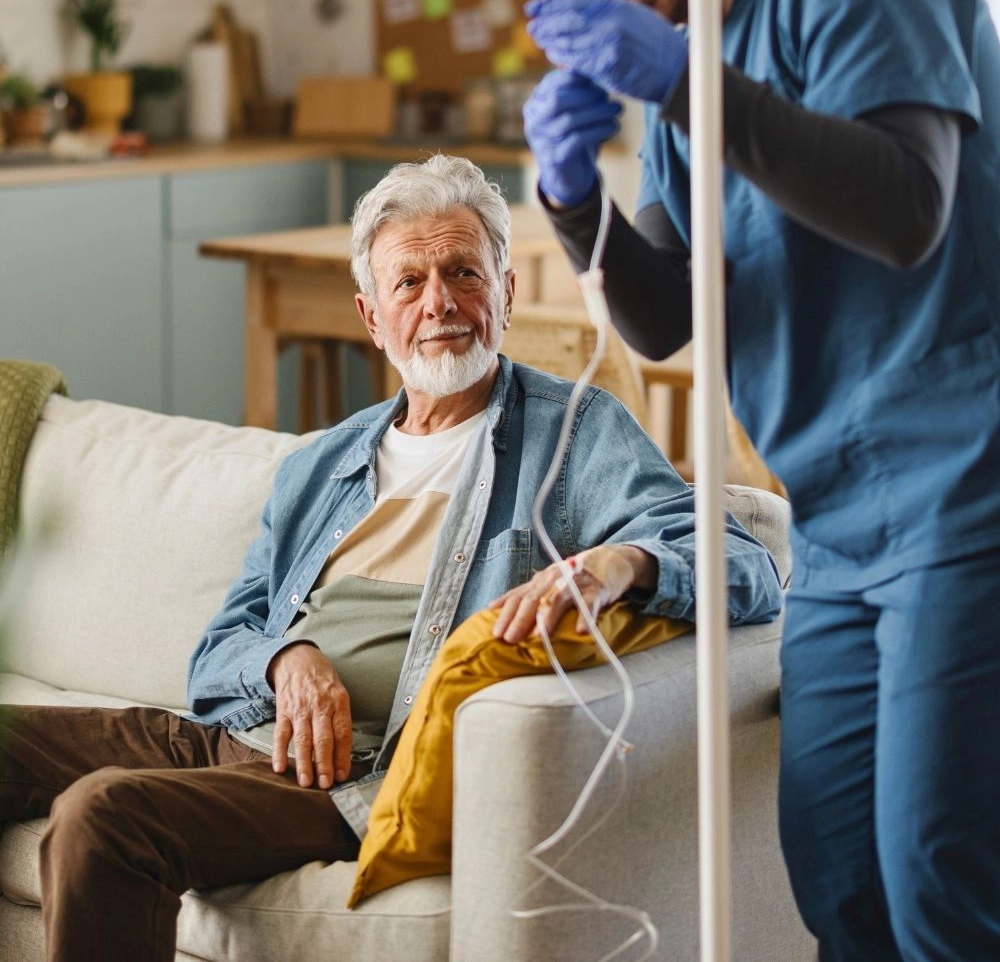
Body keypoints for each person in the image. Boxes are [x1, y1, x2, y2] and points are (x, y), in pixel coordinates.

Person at [0, 153, 781, 962]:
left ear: (506, 294)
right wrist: (285, 659)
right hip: (232, 735)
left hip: (342, 781)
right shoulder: (323, 463)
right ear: (373, 317)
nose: (439, 302)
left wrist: (619, 564)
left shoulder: (572, 433)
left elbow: (746, 564)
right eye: (409, 283)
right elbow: (212, 659)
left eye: (462, 273)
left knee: (104, 814)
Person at [477, 0, 1000, 962]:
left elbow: (909, 206)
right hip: (838, 521)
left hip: (968, 485)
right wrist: (574, 202)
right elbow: (665, 311)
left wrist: (684, 83)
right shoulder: (685, 71)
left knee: (939, 882)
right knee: (836, 880)